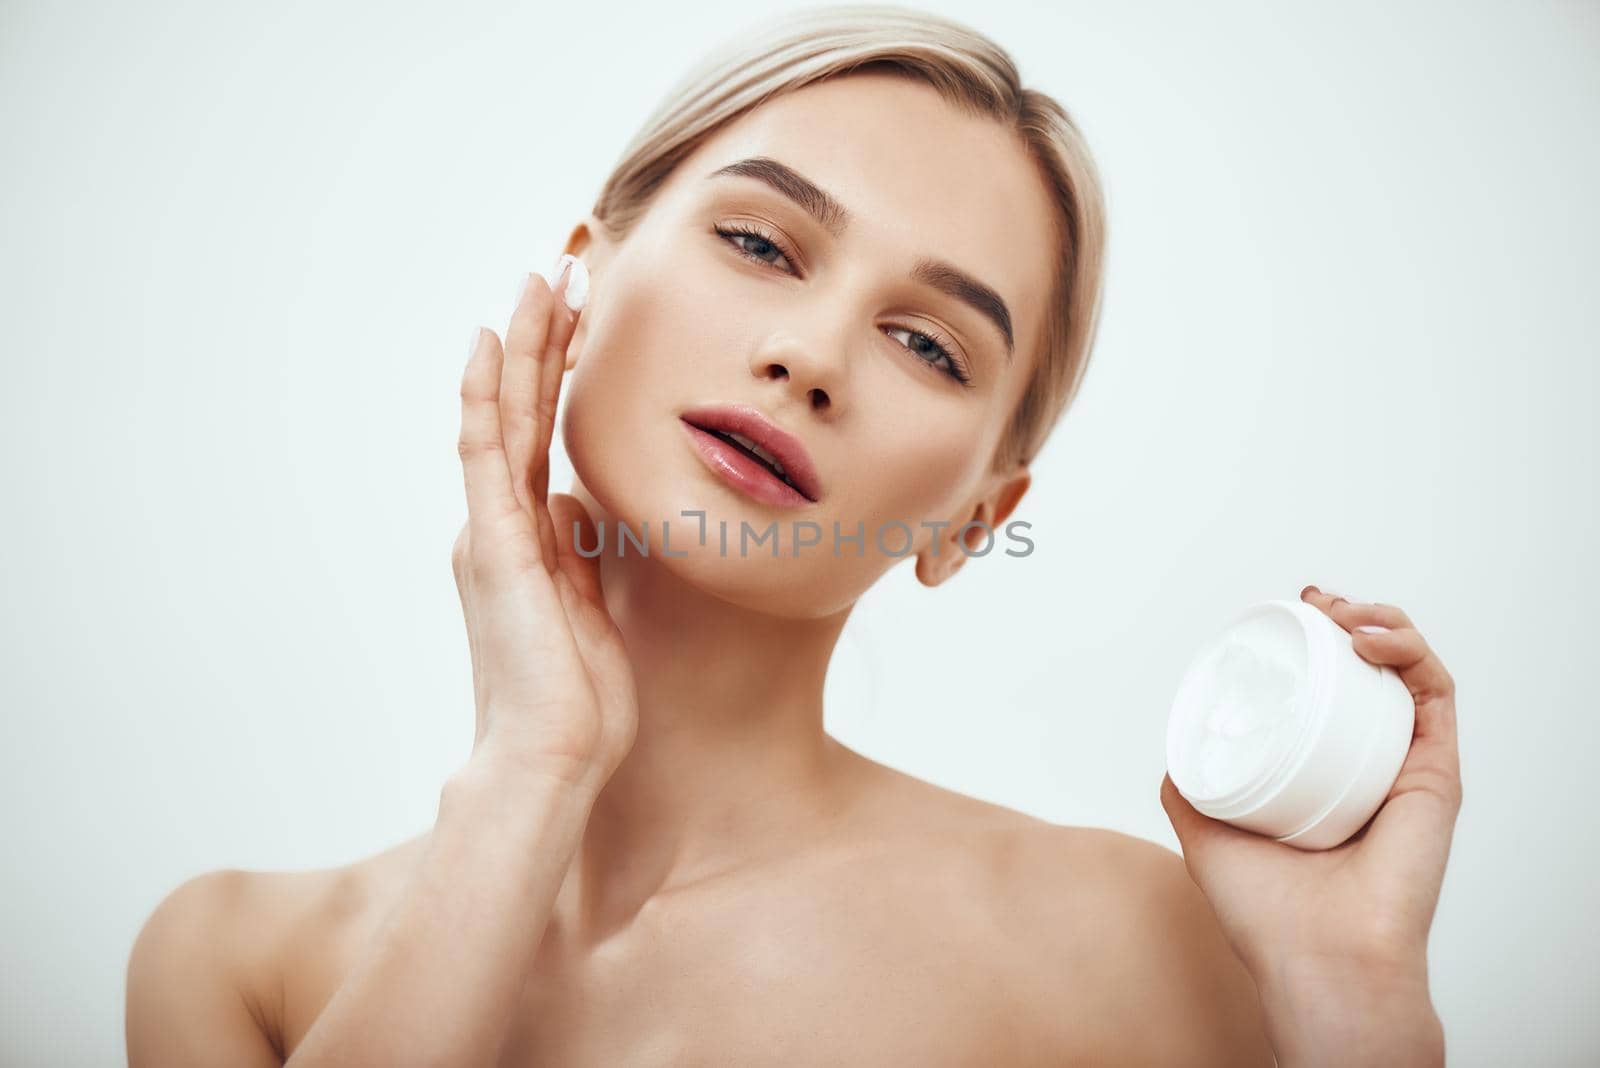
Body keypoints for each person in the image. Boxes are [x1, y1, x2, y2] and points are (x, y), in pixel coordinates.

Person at [125, 6, 1461, 1065]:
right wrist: (530, 776)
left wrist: (1349, 1005)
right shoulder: (235, 965)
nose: (813, 357)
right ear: (586, 273)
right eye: (763, 245)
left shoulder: (1143, 949)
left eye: (926, 343)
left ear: (972, 521)